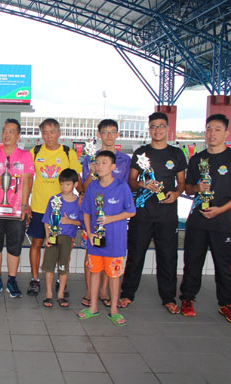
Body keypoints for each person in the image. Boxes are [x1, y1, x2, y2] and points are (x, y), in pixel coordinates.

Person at [179, 114, 231, 324]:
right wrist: (196, 188)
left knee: (224, 265)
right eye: (209, 129)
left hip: (224, 222)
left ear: (226, 133)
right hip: (198, 221)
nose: (212, 134)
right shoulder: (197, 159)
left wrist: (221, 209)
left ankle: (227, 304)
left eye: (217, 129)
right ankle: (187, 298)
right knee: (192, 262)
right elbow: (187, 188)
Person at [119, 113, 187, 313]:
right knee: (136, 255)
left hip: (167, 215)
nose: (157, 130)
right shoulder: (141, 153)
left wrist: (176, 194)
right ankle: (127, 293)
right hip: (142, 214)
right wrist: (142, 184)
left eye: (161, 126)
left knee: (168, 257)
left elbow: (182, 183)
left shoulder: (176, 154)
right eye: (153, 127)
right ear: (149, 129)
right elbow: (131, 181)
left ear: (167, 128)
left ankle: (168, 297)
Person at [78, 150, 136, 326]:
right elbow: (86, 212)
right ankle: (93, 307)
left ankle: (113, 311)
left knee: (113, 275)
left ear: (113, 167)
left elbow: (131, 211)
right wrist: (89, 232)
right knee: (94, 272)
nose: (99, 166)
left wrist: (111, 218)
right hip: (95, 240)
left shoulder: (121, 187)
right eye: (97, 163)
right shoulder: (92, 187)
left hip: (115, 241)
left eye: (104, 163)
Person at [26, 118, 82, 296]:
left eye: (52, 132)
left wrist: (80, 197)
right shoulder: (34, 151)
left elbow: (77, 179)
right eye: (45, 132)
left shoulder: (68, 152)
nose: (48, 136)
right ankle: (35, 279)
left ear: (59, 133)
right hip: (40, 206)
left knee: (64, 244)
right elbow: (27, 178)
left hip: (64, 209)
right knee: (37, 242)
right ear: (41, 134)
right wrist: (25, 202)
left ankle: (60, 279)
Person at [0, 119, 34, 298]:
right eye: (5, 131)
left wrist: (25, 206)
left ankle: (12, 280)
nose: (7, 134)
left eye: (12, 131)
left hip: (16, 210)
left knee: (14, 247)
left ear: (18, 135)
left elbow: (27, 182)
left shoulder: (26, 156)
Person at [80, 119, 131, 307]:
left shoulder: (125, 160)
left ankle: (103, 291)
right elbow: (84, 188)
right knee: (91, 251)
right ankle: (89, 291)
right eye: (105, 132)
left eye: (112, 132)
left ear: (118, 134)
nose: (109, 135)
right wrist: (93, 173)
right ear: (99, 134)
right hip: (95, 215)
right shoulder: (89, 158)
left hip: (114, 217)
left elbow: (126, 186)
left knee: (110, 253)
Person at [41, 169, 82, 308]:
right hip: (53, 237)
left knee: (63, 266)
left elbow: (82, 222)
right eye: (62, 184)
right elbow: (46, 219)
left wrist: (70, 221)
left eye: (68, 184)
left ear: (75, 184)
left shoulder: (78, 203)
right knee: (49, 266)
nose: (64, 188)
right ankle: (48, 294)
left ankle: (60, 294)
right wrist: (47, 236)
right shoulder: (54, 200)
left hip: (67, 238)